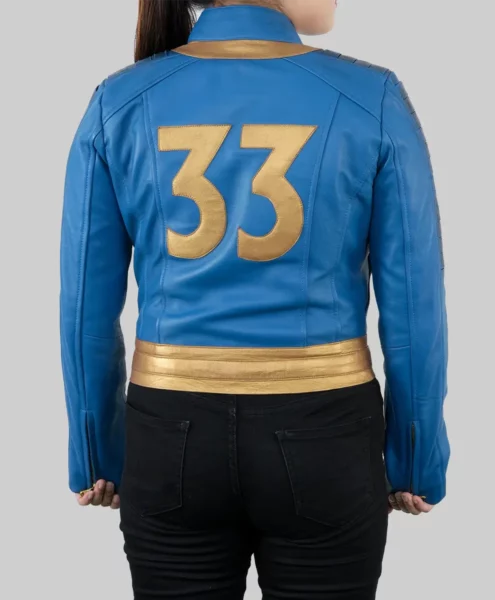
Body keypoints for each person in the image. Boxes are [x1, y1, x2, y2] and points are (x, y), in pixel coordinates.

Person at [60, 0, 450, 598]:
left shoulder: (120, 99)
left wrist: (97, 454)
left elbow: (85, 303)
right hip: (326, 434)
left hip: (168, 439)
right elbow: (415, 304)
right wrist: (416, 457)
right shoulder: (370, 97)